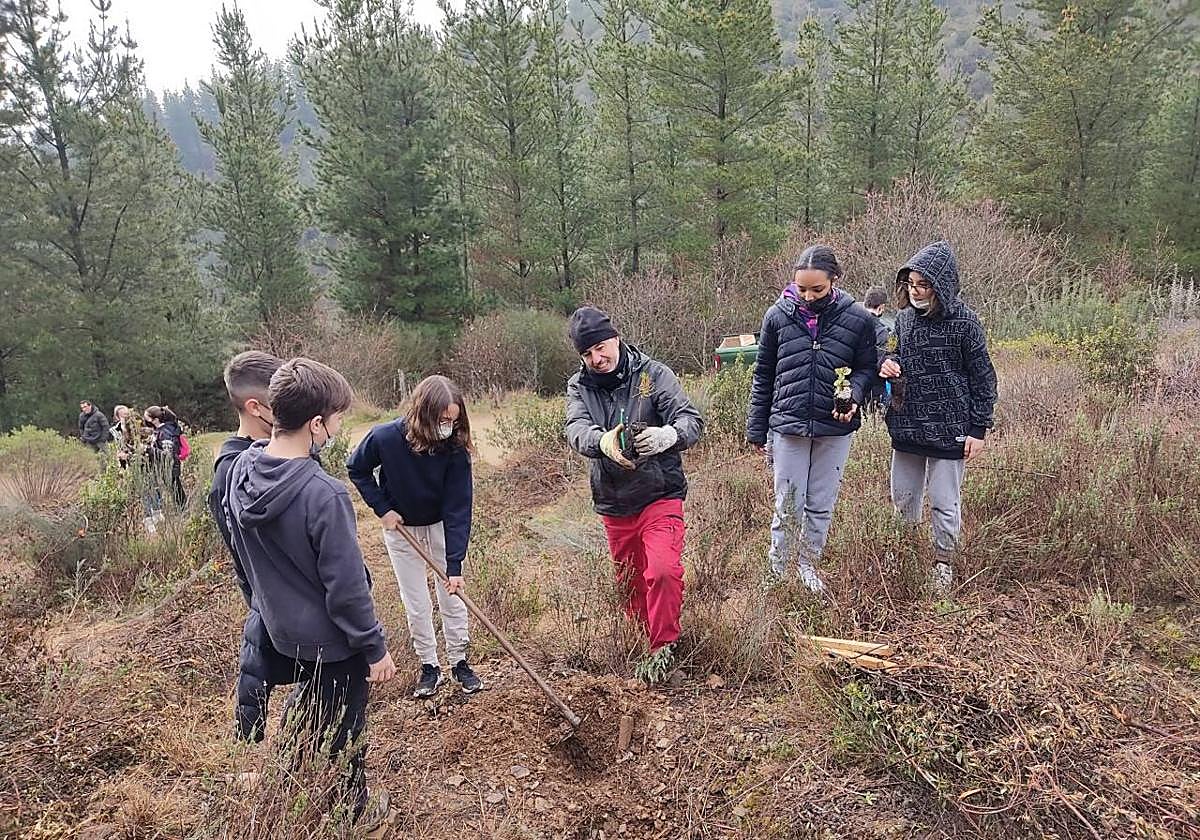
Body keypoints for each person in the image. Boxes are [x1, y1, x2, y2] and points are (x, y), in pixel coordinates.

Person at [225, 357, 394, 826]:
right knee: (345, 733)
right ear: (316, 424)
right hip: (334, 644)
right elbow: (346, 589)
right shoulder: (324, 494)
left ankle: (291, 787)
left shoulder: (240, 470)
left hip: (282, 632)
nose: (339, 428)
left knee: (309, 713)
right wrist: (374, 648)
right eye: (338, 419)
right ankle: (351, 814)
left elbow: (241, 554)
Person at [564, 306, 704, 676]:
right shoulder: (579, 386)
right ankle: (647, 648)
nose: (597, 358)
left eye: (601, 348)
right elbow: (576, 428)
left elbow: (691, 420)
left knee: (661, 571)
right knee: (631, 585)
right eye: (588, 354)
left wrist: (668, 435)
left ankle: (665, 650)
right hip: (614, 501)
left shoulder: (652, 375)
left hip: (660, 492)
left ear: (615, 338)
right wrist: (604, 442)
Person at [746, 245, 878, 594]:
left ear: (834, 281)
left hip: (835, 427)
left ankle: (806, 565)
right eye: (802, 288)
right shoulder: (777, 316)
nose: (808, 296)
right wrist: (757, 428)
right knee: (788, 502)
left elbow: (867, 369)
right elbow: (764, 374)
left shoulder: (859, 320)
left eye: (817, 289)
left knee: (820, 503)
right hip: (788, 424)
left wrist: (855, 395)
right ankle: (778, 571)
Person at [348, 375, 482, 699]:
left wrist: (454, 564)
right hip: (402, 530)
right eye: (442, 420)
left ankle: (459, 662)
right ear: (423, 414)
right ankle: (429, 666)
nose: (448, 426)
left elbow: (458, 507)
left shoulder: (454, 449)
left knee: (452, 595)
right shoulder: (385, 437)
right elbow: (357, 468)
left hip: (439, 527)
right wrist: (382, 508)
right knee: (416, 602)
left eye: (453, 420)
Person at [878, 240, 998, 593]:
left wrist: (978, 428)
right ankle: (905, 554)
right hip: (907, 425)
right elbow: (894, 355)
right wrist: (887, 364)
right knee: (903, 498)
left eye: (923, 284)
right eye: (911, 284)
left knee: (944, 503)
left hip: (952, 429)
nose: (915, 292)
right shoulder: (902, 320)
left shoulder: (966, 323)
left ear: (941, 284)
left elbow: (983, 377)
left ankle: (942, 563)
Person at [206, 350, 296, 742]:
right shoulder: (231, 471)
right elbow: (244, 557)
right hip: (276, 599)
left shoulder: (289, 450)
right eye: (283, 403)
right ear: (256, 407)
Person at [144, 406, 186, 509]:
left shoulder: (165, 433)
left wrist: (148, 449)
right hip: (166, 467)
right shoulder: (160, 431)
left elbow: (167, 455)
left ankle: (183, 511)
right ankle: (182, 510)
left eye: (147, 417)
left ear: (155, 420)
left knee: (176, 492)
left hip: (170, 467)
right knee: (175, 490)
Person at [863, 286, 894, 414]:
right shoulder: (883, 333)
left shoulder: (849, 321)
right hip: (873, 390)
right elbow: (882, 364)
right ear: (881, 307)